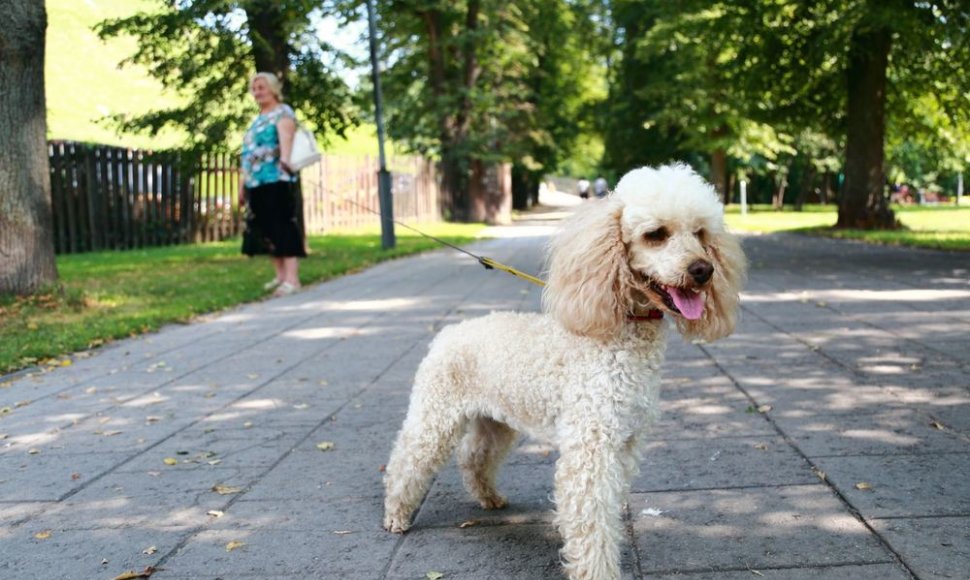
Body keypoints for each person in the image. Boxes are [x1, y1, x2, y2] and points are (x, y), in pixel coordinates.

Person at [238, 72, 305, 297]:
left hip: (277, 178)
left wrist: (285, 163)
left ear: (273, 89)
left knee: (283, 226)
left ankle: (292, 280)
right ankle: (280, 277)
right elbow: (247, 155)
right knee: (266, 228)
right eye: (254, 88)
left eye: (262, 87)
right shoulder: (257, 119)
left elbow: (286, 142)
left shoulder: (282, 113)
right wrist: (242, 185)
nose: (257, 92)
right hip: (256, 181)